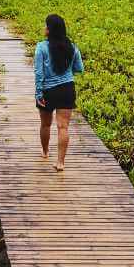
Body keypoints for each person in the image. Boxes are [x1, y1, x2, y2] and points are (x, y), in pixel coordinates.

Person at [34, 14, 83, 170]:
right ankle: (60, 162)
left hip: (48, 91)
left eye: (45, 26)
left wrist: (38, 94)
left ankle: (45, 151)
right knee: (63, 127)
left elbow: (39, 73)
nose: (44, 28)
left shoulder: (41, 47)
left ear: (49, 30)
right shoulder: (72, 47)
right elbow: (79, 69)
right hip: (67, 89)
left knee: (46, 125)